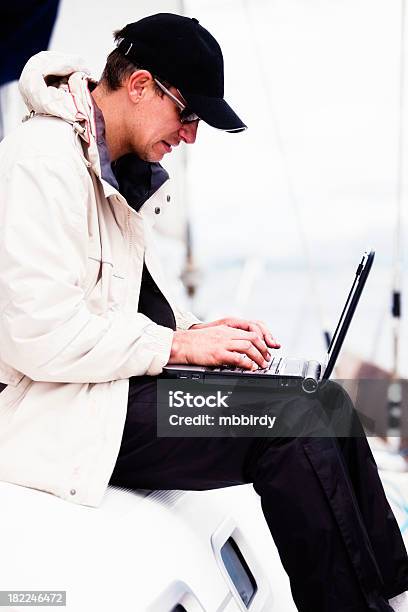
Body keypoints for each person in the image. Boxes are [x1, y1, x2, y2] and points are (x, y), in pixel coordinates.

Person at [0, 12, 407, 612]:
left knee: (322, 400)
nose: (191, 136)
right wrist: (178, 348)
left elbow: (126, 308)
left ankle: (394, 596)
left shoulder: (107, 165)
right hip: (57, 410)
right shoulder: (42, 162)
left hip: (104, 390)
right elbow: (37, 332)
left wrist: (197, 331)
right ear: (139, 85)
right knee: (290, 423)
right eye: (188, 114)